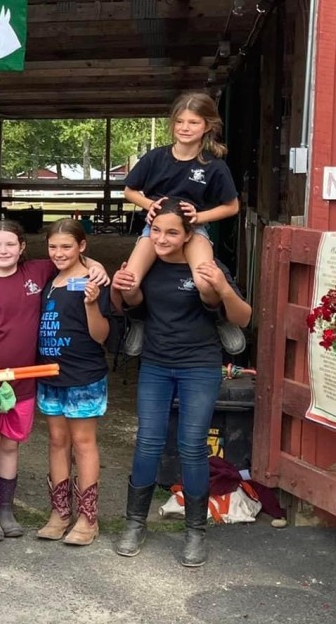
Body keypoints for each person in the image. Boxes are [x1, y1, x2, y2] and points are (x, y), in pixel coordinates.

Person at [111, 199, 252, 568]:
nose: (161, 238)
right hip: (156, 364)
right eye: (155, 230)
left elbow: (244, 317)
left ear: (189, 234)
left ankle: (195, 532)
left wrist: (221, 288)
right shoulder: (147, 267)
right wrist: (122, 287)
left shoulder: (205, 267)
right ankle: (135, 523)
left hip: (199, 366)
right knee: (148, 441)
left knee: (192, 446)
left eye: (172, 232)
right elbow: (132, 307)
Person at [0, 220, 107, 542]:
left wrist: (97, 267)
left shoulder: (38, 273)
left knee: (11, 445)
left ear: (23, 247)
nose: (3, 251)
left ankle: (6, 508)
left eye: (10, 244)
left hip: (26, 382)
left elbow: (72, 257)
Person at [35, 220, 111, 547]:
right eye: (53, 247)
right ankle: (59, 511)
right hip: (50, 374)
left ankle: (87, 517)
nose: (59, 253)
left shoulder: (92, 282)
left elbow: (101, 335)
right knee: (56, 439)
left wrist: (92, 303)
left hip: (83, 374)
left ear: (82, 246)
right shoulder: (51, 281)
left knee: (83, 442)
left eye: (67, 246)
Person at [121, 91, 240, 287]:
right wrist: (151, 205)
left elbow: (232, 206)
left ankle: (211, 315)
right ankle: (136, 316)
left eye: (193, 123)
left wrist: (198, 217)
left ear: (207, 126)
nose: (185, 128)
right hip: (155, 228)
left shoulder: (214, 165)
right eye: (179, 122)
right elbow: (129, 191)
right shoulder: (155, 157)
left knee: (205, 282)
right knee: (129, 281)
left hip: (193, 228)